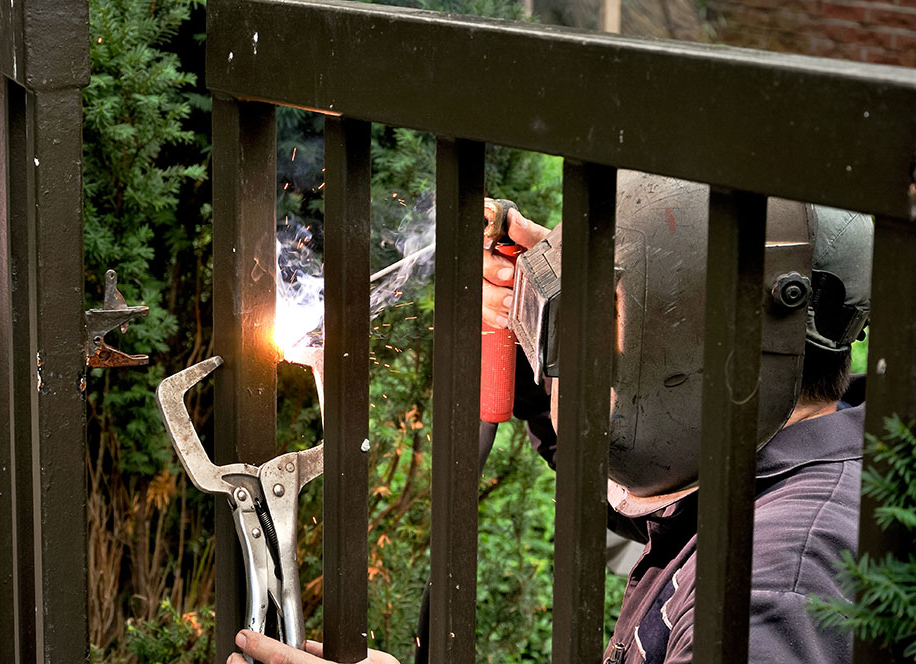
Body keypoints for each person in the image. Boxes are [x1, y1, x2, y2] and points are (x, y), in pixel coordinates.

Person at [231, 171, 873, 664]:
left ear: (696, 340)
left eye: (598, 313)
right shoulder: (750, 482)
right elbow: (625, 489)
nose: (552, 337)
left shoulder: (781, 584)